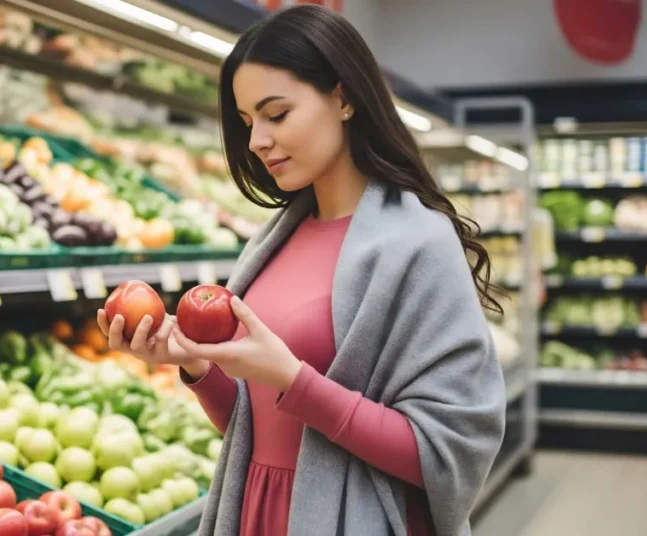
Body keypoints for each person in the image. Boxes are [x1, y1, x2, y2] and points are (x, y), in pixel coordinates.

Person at [96, 5, 506, 536]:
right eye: (248, 122)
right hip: (258, 511)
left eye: (277, 114)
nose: (256, 141)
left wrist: (293, 380)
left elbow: (448, 452)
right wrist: (196, 365)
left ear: (344, 98)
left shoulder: (419, 243)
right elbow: (256, 428)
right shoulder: (272, 240)